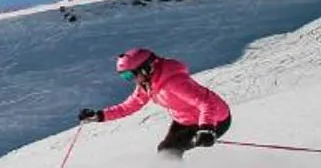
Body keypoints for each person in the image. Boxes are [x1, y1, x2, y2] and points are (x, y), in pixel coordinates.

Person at [80, 48, 232, 157]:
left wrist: (206, 128)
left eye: (129, 75)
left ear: (146, 68)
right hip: (185, 120)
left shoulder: (174, 81)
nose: (130, 80)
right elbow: (129, 106)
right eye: (124, 77)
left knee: (168, 152)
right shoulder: (148, 84)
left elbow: (207, 102)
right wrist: (99, 116)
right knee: (166, 152)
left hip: (214, 120)